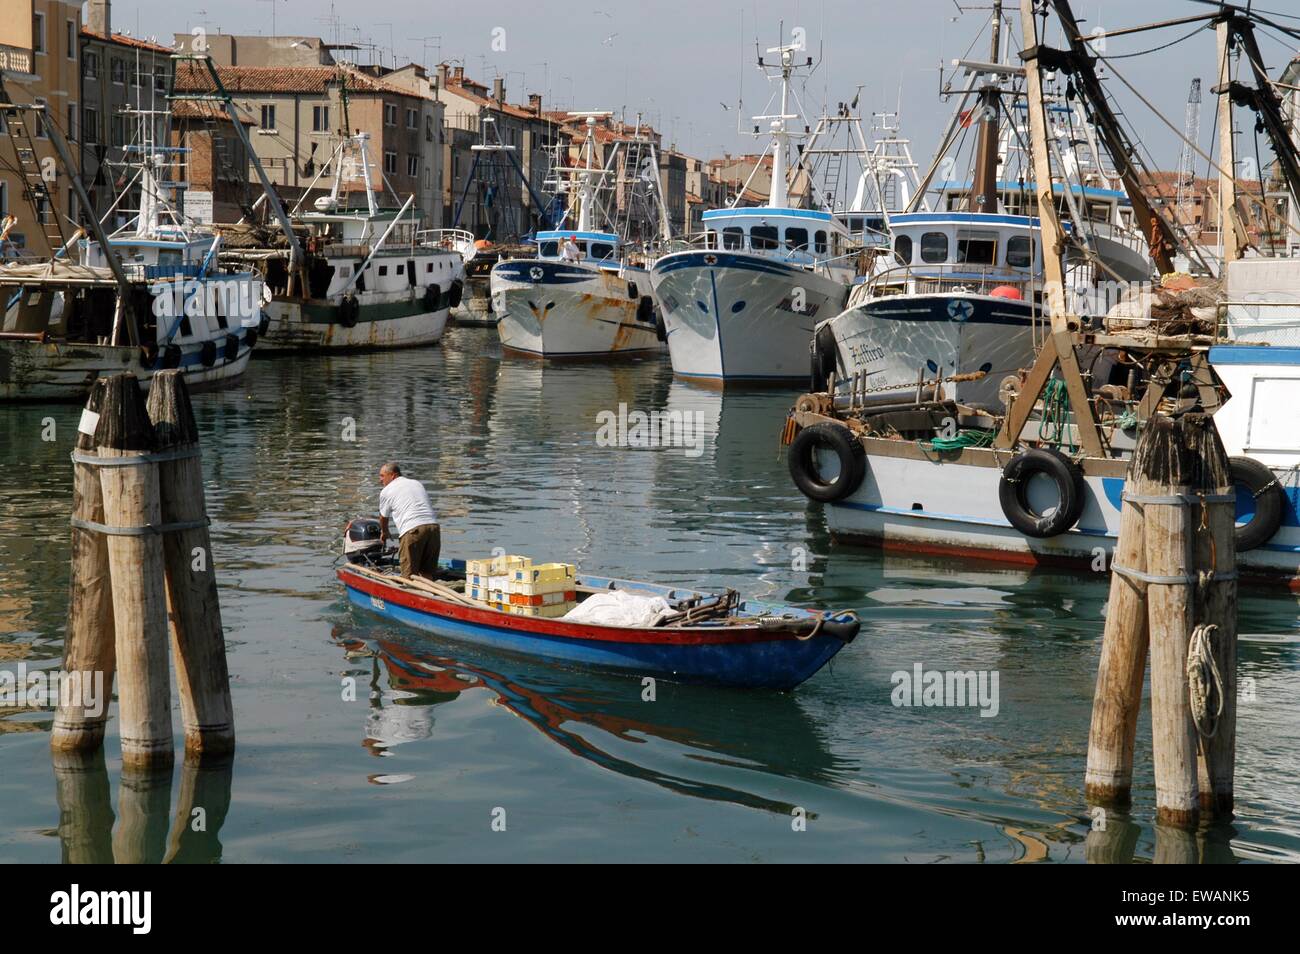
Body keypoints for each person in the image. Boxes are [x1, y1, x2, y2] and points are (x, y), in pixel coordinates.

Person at [377, 462, 440, 580]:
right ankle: (428, 596)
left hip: (412, 530)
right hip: (433, 528)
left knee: (408, 576)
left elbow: (383, 517)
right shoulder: (416, 483)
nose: (380, 480)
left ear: (393, 475)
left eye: (382, 476)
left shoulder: (386, 491)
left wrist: (384, 532)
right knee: (426, 573)